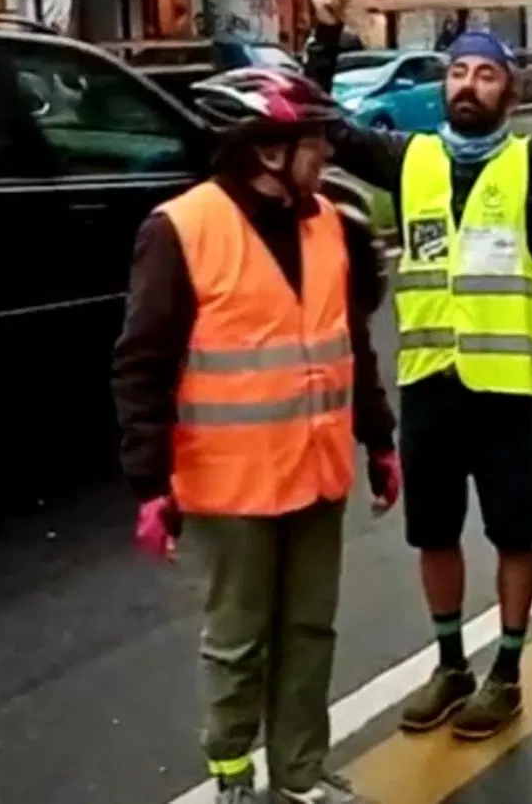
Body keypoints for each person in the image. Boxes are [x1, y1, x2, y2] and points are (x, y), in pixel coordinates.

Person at [302, 0, 532, 740]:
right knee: (434, 533)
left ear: (507, 93)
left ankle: (505, 673)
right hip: (429, 382)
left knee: (512, 531)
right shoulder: (407, 161)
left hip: (505, 388)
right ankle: (450, 664)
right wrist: (326, 30)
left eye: (485, 74)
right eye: (458, 73)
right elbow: (318, 124)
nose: (467, 85)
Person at [112, 68, 399, 804]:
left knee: (309, 632)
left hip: (316, 469)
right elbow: (141, 363)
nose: (326, 154)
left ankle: (300, 776)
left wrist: (380, 439)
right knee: (238, 643)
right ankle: (233, 778)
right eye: (314, 141)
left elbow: (350, 343)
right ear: (269, 152)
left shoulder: (329, 222)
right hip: (229, 484)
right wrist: (149, 484)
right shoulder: (181, 228)